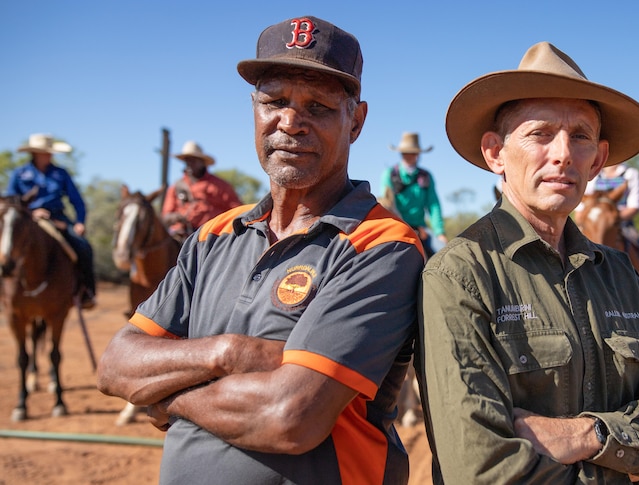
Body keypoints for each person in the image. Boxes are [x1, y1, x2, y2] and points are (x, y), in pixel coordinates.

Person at [96, 16, 425, 484]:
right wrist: (229, 354)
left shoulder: (381, 246)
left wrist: (162, 398)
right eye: (274, 101)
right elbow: (114, 366)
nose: (290, 122)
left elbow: (290, 417)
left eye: (319, 106)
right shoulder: (212, 237)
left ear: (356, 120)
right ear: (254, 109)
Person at [417, 41, 639, 484]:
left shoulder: (619, 272)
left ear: (597, 160)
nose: (563, 153)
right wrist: (630, 449)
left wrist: (590, 435)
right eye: (540, 133)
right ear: (495, 153)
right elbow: (479, 470)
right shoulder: (460, 275)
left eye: (580, 136)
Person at [6, 133, 97, 308]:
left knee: (83, 246)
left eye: (50, 152)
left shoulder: (60, 174)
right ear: (34, 153)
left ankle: (87, 291)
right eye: (44, 152)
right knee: (7, 246)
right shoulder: (20, 174)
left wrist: (79, 222)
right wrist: (31, 212)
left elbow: (77, 201)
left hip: (57, 217)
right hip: (25, 219)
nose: (49, 155)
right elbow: (11, 200)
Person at [576, 162, 639, 299]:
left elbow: (634, 206)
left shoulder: (630, 174)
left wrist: (610, 219)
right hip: (592, 225)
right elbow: (581, 207)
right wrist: (599, 218)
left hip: (622, 225)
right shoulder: (591, 175)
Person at [379, 132, 447, 256]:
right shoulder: (389, 174)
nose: (409, 156)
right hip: (397, 225)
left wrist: (439, 232)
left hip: (421, 227)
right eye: (406, 153)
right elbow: (387, 205)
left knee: (444, 252)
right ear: (401, 153)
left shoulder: (426, 176)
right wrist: (407, 229)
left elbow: (433, 205)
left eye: (413, 153)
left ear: (418, 154)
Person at [161, 140, 243, 239]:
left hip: (212, 236)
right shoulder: (176, 187)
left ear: (202, 162)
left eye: (193, 160)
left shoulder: (220, 186)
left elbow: (238, 211)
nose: (189, 164)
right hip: (182, 235)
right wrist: (176, 217)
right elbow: (166, 216)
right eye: (187, 161)